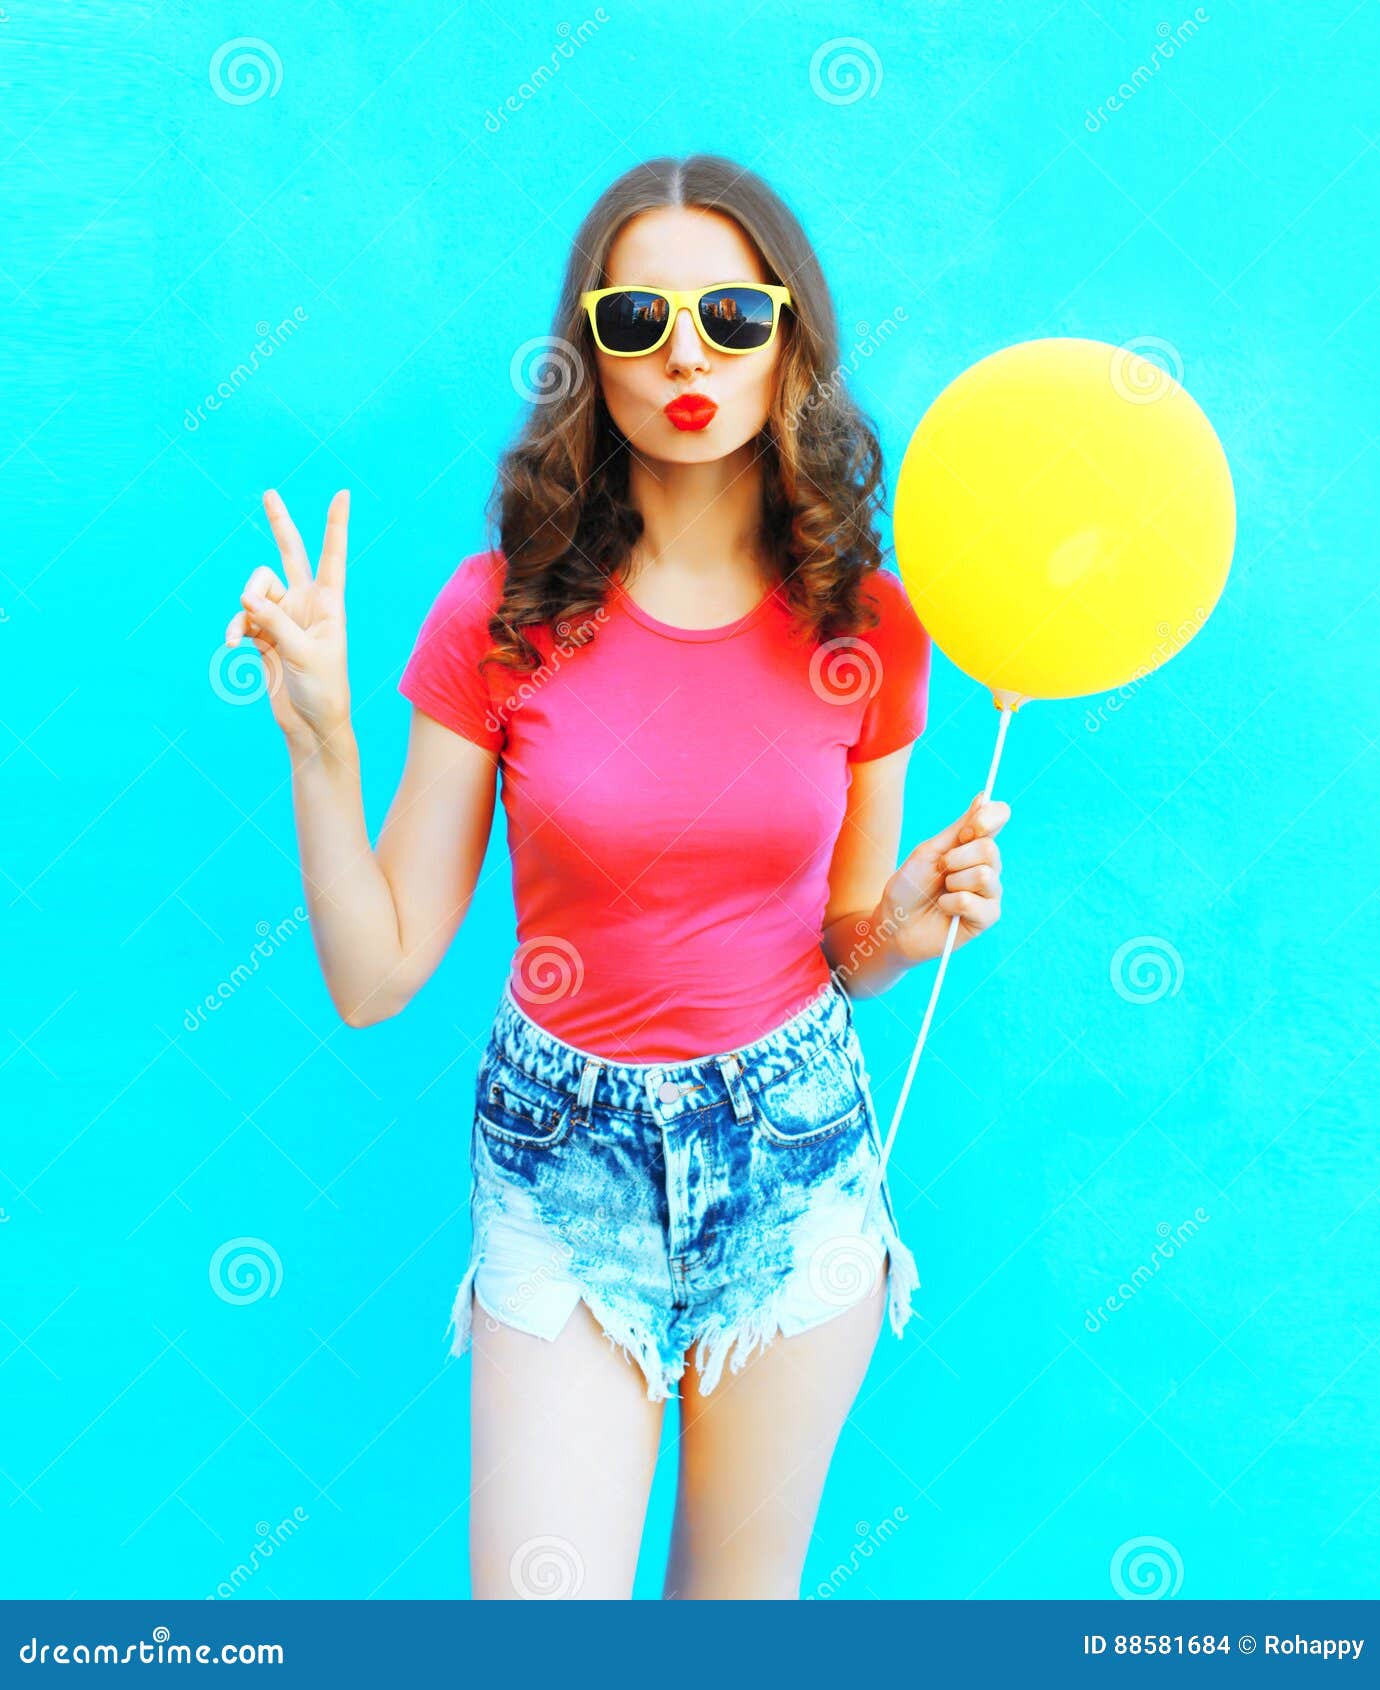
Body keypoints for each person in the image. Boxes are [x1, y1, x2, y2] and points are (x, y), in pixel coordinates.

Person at [224, 154, 1008, 1600]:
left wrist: (895, 926)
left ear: (791, 338)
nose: (686, 355)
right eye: (638, 322)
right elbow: (375, 970)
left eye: (730, 313)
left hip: (795, 1158)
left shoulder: (866, 623)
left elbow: (841, 941)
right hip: (558, 1163)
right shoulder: (502, 615)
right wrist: (323, 739)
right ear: (590, 351)